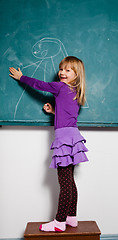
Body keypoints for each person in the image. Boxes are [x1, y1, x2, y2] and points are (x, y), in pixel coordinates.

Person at [9, 56, 89, 232]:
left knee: (65, 182)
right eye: (61, 69)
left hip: (64, 138)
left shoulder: (60, 87)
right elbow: (68, 117)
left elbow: (40, 85)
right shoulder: (75, 91)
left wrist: (21, 78)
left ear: (77, 74)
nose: (62, 73)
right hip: (73, 136)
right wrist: (54, 111)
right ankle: (71, 217)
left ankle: (59, 221)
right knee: (70, 181)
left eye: (68, 70)